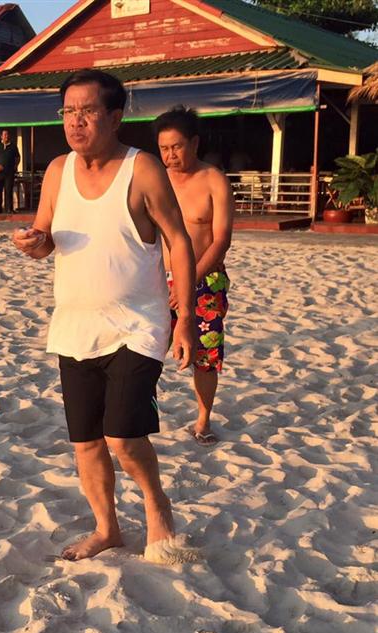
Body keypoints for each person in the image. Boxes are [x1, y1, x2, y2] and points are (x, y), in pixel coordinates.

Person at [13, 69, 198, 564]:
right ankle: (107, 528)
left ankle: (156, 505)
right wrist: (34, 243)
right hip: (75, 326)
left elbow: (179, 240)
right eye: (68, 111)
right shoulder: (57, 171)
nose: (76, 121)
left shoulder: (142, 170)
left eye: (88, 111)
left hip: (137, 324)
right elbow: (46, 238)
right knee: (86, 442)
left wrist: (185, 318)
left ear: (115, 118)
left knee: (123, 436)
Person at [155, 106, 233, 446]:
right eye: (164, 148)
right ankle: (139, 419)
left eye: (177, 146)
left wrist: (189, 282)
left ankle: (203, 419)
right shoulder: (155, 180)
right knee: (145, 351)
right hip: (159, 279)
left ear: (195, 143)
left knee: (205, 355)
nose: (170, 155)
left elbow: (221, 240)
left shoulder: (214, 180)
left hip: (205, 280)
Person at [0, 129, 20, 213]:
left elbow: (18, 157)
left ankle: (9, 209)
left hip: (9, 173)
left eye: (7, 134)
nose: (6, 136)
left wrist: (15, 166)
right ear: (1, 136)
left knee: (8, 190)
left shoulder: (13, 146)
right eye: (5, 134)